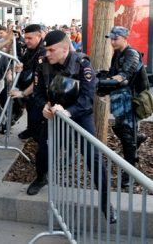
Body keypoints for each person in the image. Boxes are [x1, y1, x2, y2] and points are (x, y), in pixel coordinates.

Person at [27, 30, 117, 224]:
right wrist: (44, 105)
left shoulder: (83, 65)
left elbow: (87, 99)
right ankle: (41, 177)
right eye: (46, 50)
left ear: (65, 48)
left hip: (79, 117)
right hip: (53, 114)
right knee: (43, 152)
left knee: (93, 158)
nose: (47, 53)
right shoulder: (43, 64)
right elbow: (37, 92)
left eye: (51, 50)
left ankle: (105, 202)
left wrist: (68, 112)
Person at [105, 26, 148, 187]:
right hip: (121, 100)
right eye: (111, 39)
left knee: (127, 137)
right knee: (121, 130)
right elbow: (112, 73)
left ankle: (130, 173)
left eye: (115, 39)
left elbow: (123, 77)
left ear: (124, 38)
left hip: (132, 101)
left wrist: (104, 83)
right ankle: (138, 137)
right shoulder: (117, 53)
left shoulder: (132, 54)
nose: (112, 42)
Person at [10, 24, 46, 141]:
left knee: (37, 117)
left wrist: (23, 93)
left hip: (40, 92)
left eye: (29, 38)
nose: (26, 41)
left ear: (39, 36)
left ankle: (36, 137)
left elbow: (39, 79)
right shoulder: (31, 49)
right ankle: (30, 130)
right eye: (25, 38)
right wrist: (19, 65)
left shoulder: (43, 52)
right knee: (30, 111)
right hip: (31, 91)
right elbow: (24, 61)